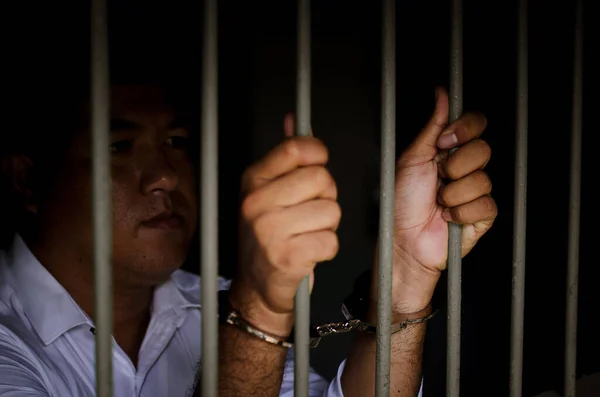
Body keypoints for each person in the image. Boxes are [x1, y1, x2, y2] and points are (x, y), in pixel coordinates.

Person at [0, 77, 496, 396]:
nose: (166, 176)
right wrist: (257, 310)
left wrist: (403, 288)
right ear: (28, 182)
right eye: (120, 145)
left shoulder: (212, 303)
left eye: (176, 143)